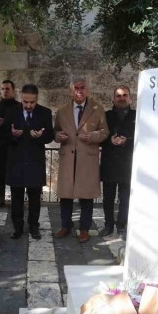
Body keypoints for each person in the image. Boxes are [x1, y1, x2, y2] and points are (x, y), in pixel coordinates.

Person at [53, 77, 109, 243]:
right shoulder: (62, 111)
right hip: (68, 158)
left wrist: (92, 136)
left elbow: (105, 132)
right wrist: (58, 136)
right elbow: (55, 131)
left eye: (82, 87)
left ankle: (84, 229)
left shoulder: (97, 109)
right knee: (66, 196)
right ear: (71, 91)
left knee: (86, 196)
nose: (79, 90)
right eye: (76, 88)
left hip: (87, 158)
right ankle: (65, 225)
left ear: (87, 90)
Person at [3, 84, 54, 239]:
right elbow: (3, 135)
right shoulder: (11, 111)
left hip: (35, 163)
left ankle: (34, 226)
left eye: (32, 102)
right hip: (16, 162)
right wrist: (12, 135)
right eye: (25, 102)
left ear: (37, 99)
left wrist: (40, 137)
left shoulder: (45, 112)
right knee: (16, 198)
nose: (28, 105)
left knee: (34, 199)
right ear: (21, 97)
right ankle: (17, 228)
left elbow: (50, 136)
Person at [99, 86, 136, 239]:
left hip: (128, 165)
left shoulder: (137, 116)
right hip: (110, 164)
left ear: (130, 98)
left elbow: (142, 137)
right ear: (113, 98)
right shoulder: (105, 116)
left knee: (125, 198)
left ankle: (122, 226)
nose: (122, 98)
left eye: (125, 95)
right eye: (118, 96)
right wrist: (110, 140)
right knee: (107, 197)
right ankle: (108, 225)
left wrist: (126, 142)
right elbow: (99, 136)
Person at [0, 80, 20, 209]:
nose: (4, 91)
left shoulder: (19, 107)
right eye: (2, 88)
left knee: (16, 172)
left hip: (15, 145)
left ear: (13, 90)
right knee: (0, 173)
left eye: (7, 88)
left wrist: (6, 124)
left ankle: (17, 198)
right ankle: (0, 197)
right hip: (0, 146)